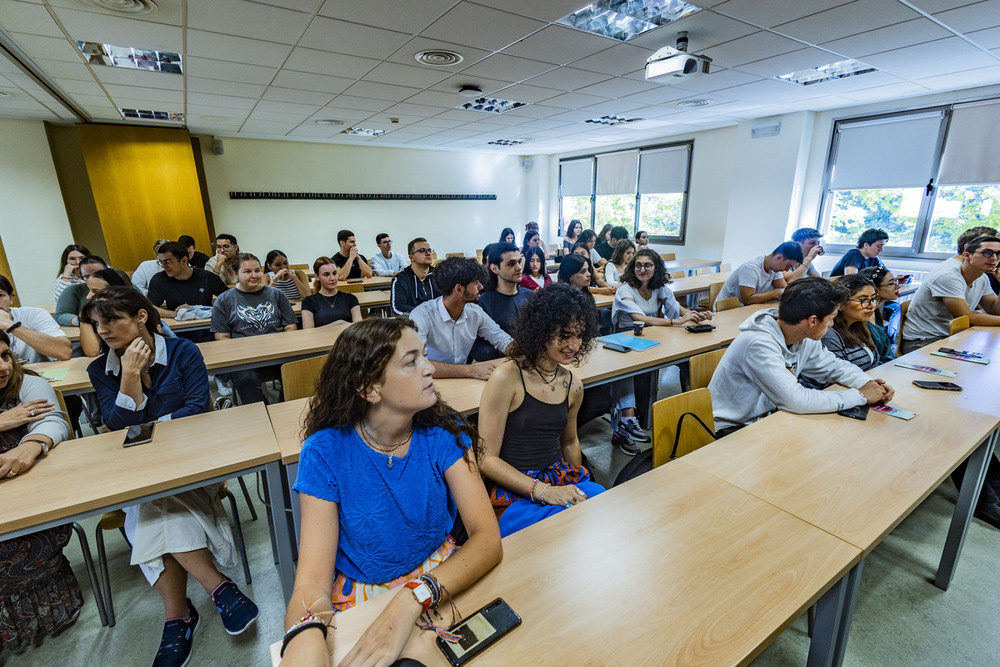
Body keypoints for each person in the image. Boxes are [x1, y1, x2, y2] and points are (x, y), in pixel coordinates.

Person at [280, 317, 502, 665]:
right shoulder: (324, 452)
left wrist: (410, 598)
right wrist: (304, 638)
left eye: (424, 356)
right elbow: (311, 582)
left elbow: (487, 539)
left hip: (441, 576)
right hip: (364, 594)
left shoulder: (445, 433)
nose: (429, 368)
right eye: (411, 361)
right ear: (370, 389)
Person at [81, 288, 258, 667]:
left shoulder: (182, 352)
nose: (103, 330)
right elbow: (114, 427)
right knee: (151, 500)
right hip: (138, 471)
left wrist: (144, 427)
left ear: (141, 317)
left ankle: (178, 618)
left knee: (146, 508)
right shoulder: (101, 369)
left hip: (195, 462)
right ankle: (218, 588)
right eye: (98, 323)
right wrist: (129, 376)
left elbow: (197, 410)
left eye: (112, 319)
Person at [477, 284, 606, 536]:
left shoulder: (572, 385)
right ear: (541, 330)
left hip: (558, 480)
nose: (574, 345)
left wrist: (576, 483)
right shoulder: (506, 377)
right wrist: (546, 491)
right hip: (515, 490)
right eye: (565, 335)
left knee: (599, 501)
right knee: (564, 523)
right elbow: (486, 459)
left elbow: (569, 442)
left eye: (580, 336)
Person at [709, 278, 894, 436]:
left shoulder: (804, 337)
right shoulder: (758, 343)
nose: (831, 324)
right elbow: (796, 400)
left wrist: (868, 384)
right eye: (831, 318)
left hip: (768, 418)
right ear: (812, 321)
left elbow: (834, 366)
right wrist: (861, 396)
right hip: (732, 428)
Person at [0, 330, 79, 655]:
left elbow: (55, 421)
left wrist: (31, 445)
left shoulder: (26, 383)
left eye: (5, 355)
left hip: (34, 500)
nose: (2, 366)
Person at [609, 249, 711, 452]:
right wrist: (675, 321)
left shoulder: (659, 288)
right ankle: (626, 421)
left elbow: (676, 307)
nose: (642, 269)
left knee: (687, 359)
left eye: (648, 265)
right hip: (626, 337)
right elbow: (639, 318)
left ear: (656, 268)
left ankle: (692, 407)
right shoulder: (625, 289)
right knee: (626, 369)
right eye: (638, 265)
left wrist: (693, 315)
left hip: (652, 337)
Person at [210, 253, 297, 404]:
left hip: (279, 354)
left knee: (298, 371)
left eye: (257, 270)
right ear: (235, 273)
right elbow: (221, 337)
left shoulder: (276, 294)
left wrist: (285, 347)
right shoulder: (224, 300)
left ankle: (287, 409)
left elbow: (290, 326)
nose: (254, 275)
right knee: (246, 380)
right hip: (245, 359)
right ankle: (263, 414)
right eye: (247, 272)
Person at [408, 258, 512, 380]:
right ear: (459, 289)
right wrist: (470, 370)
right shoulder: (421, 315)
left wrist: (525, 355)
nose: (481, 287)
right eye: (475, 283)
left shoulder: (474, 312)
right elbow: (417, 362)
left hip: (462, 380)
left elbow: (503, 340)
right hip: (429, 381)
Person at [900, 235, 1000, 354]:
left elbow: (995, 309)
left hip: (953, 337)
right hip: (923, 341)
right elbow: (967, 317)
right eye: (987, 253)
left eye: (998, 254)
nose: (994, 258)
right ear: (967, 255)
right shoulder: (949, 277)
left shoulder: (982, 278)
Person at [800, 275, 881, 388]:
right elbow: (834, 378)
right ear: (841, 304)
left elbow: (875, 363)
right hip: (834, 393)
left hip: (858, 388)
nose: (872, 305)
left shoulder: (859, 326)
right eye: (863, 300)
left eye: (873, 299)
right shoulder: (828, 333)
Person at [472, 243, 531, 362]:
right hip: (500, 368)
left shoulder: (531, 297)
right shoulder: (483, 303)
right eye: (511, 264)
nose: (519, 267)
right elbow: (477, 350)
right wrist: (512, 350)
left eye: (519, 261)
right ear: (495, 268)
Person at [146, 242, 228, 324]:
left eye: (167, 262)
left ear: (184, 260)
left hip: (207, 324)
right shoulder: (159, 279)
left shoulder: (206, 277)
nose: (163, 266)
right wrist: (174, 313)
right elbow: (150, 308)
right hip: (179, 326)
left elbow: (231, 299)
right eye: (161, 262)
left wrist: (217, 308)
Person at [0, 274, 71, 363]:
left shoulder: (34, 314)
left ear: (10, 299)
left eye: (0, 295)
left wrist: (11, 326)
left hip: (39, 373)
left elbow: (64, 351)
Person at [715, 241, 803, 307]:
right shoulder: (750, 268)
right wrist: (775, 293)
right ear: (779, 257)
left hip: (747, 308)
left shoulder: (774, 269)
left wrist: (778, 292)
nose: (787, 270)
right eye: (787, 266)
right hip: (726, 310)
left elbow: (783, 289)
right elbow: (748, 299)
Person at [80, 268, 136, 357]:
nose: (88, 297)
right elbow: (92, 352)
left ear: (115, 292)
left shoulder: (138, 312)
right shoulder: (97, 317)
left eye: (95, 291)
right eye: (89, 290)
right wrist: (83, 318)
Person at [301, 256, 362, 328]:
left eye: (334, 273)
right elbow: (308, 331)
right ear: (317, 277)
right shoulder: (308, 302)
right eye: (326, 274)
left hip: (346, 338)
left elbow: (359, 327)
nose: (332, 278)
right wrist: (339, 324)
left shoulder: (351, 298)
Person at [858, 265, 900, 362]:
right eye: (891, 283)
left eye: (895, 282)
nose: (898, 286)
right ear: (874, 288)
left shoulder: (876, 312)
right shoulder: (862, 317)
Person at [54, 255, 108, 326]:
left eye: (97, 274)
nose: (92, 278)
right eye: (87, 276)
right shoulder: (74, 289)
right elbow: (60, 316)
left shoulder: (117, 286)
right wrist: (82, 320)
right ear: (80, 275)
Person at [390, 237, 438, 315]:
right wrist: (424, 314)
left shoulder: (439, 276)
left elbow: (448, 302)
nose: (428, 253)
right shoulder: (400, 279)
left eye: (429, 250)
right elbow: (398, 308)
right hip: (412, 323)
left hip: (438, 323)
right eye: (422, 251)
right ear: (411, 257)